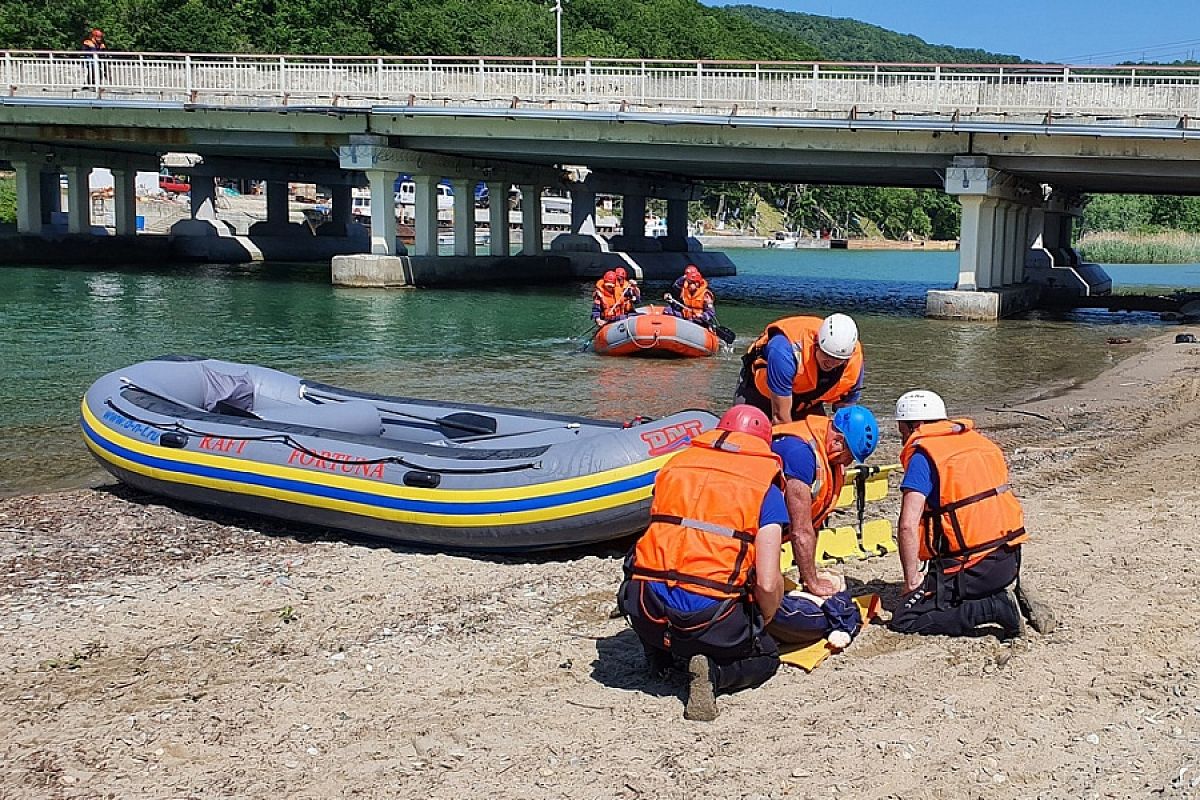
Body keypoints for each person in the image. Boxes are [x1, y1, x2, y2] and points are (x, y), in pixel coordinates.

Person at [617, 405, 788, 722]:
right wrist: (764, 619)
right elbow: (766, 580)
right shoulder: (764, 485)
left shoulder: (677, 465)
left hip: (643, 607)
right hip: (705, 619)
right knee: (766, 655)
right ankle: (714, 674)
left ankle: (659, 655)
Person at [889, 390, 1028, 638]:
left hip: (977, 567)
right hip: (1010, 559)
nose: (903, 440)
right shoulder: (981, 443)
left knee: (905, 620)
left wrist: (912, 581)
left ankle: (994, 607)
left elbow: (908, 525)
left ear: (915, 425)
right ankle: (997, 594)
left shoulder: (925, 457)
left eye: (902, 432)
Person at [767, 406, 878, 645]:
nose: (847, 464)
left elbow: (811, 524)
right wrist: (813, 583)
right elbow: (800, 531)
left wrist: (810, 575)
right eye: (849, 457)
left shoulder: (820, 454)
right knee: (795, 619)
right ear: (838, 441)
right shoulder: (800, 453)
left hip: (762, 535)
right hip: (745, 536)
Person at [734, 313, 864, 424]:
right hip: (759, 395)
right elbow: (780, 419)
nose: (831, 362)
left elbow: (845, 415)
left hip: (806, 404)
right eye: (826, 355)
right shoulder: (784, 352)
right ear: (817, 344)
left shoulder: (854, 361)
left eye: (838, 359)